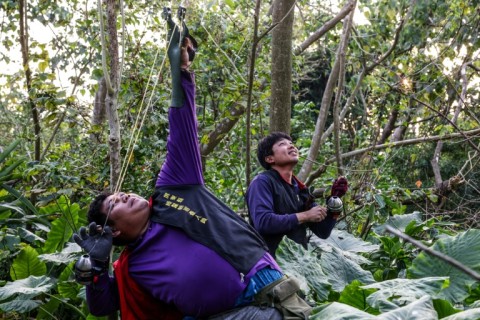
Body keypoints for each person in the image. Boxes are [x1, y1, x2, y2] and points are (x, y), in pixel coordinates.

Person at [73, 8, 311, 320]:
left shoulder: (174, 188)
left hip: (265, 297)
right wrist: (97, 267)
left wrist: (180, 72)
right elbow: (103, 306)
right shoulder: (131, 265)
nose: (126, 194)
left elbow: (182, 128)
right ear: (113, 231)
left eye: (121, 192)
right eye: (115, 203)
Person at [246, 132, 348, 258]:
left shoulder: (300, 189)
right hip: (272, 265)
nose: (291, 146)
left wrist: (335, 200)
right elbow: (264, 222)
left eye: (291, 144)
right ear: (269, 158)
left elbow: (323, 231)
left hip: (299, 265)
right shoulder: (262, 182)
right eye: (282, 144)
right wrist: (305, 215)